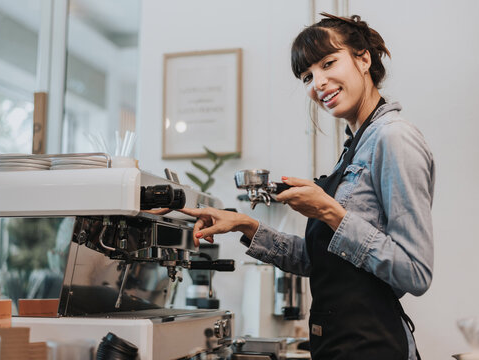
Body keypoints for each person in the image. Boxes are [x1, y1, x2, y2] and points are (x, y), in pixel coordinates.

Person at [180, 12, 434, 360]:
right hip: (337, 343)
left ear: (364, 59)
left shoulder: (393, 138)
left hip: (374, 345)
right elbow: (323, 261)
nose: (319, 83)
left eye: (329, 63)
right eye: (307, 76)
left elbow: (415, 273)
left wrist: (330, 211)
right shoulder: (354, 147)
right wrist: (245, 225)